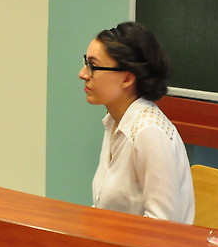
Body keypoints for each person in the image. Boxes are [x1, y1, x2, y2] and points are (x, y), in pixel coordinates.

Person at [79, 21, 194, 223]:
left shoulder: (149, 132)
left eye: (93, 66)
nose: (83, 74)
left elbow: (163, 226)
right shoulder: (114, 121)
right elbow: (106, 209)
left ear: (127, 79)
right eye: (85, 63)